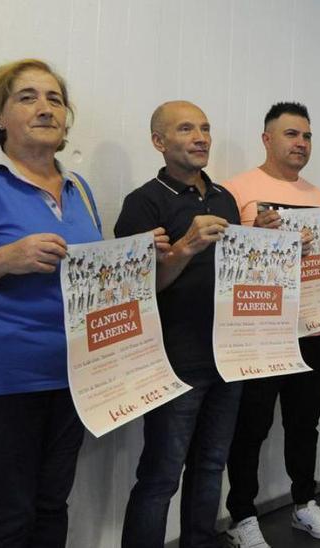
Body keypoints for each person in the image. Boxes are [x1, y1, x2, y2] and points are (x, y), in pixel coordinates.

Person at [0, 58, 158, 548]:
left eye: (55, 99)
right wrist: (4, 258)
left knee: (49, 509)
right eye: (27, 98)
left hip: (67, 378)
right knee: (5, 521)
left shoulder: (78, 188)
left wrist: (148, 258)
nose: (45, 109)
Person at [222, 102, 320, 544]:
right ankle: (242, 516)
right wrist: (259, 237)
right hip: (261, 334)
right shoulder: (236, 190)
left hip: (312, 329)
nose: (301, 143)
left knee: (305, 424)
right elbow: (225, 263)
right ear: (267, 139)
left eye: (306, 136)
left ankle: (304, 502)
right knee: (252, 428)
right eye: (290, 135)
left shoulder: (318, 197)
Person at [114, 101, 244, 547]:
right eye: (186, 128)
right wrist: (183, 248)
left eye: (205, 128)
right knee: (161, 475)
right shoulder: (142, 203)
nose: (200, 137)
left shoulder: (225, 198)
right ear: (159, 142)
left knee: (211, 464)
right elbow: (132, 291)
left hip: (228, 356)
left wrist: (272, 243)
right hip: (174, 361)